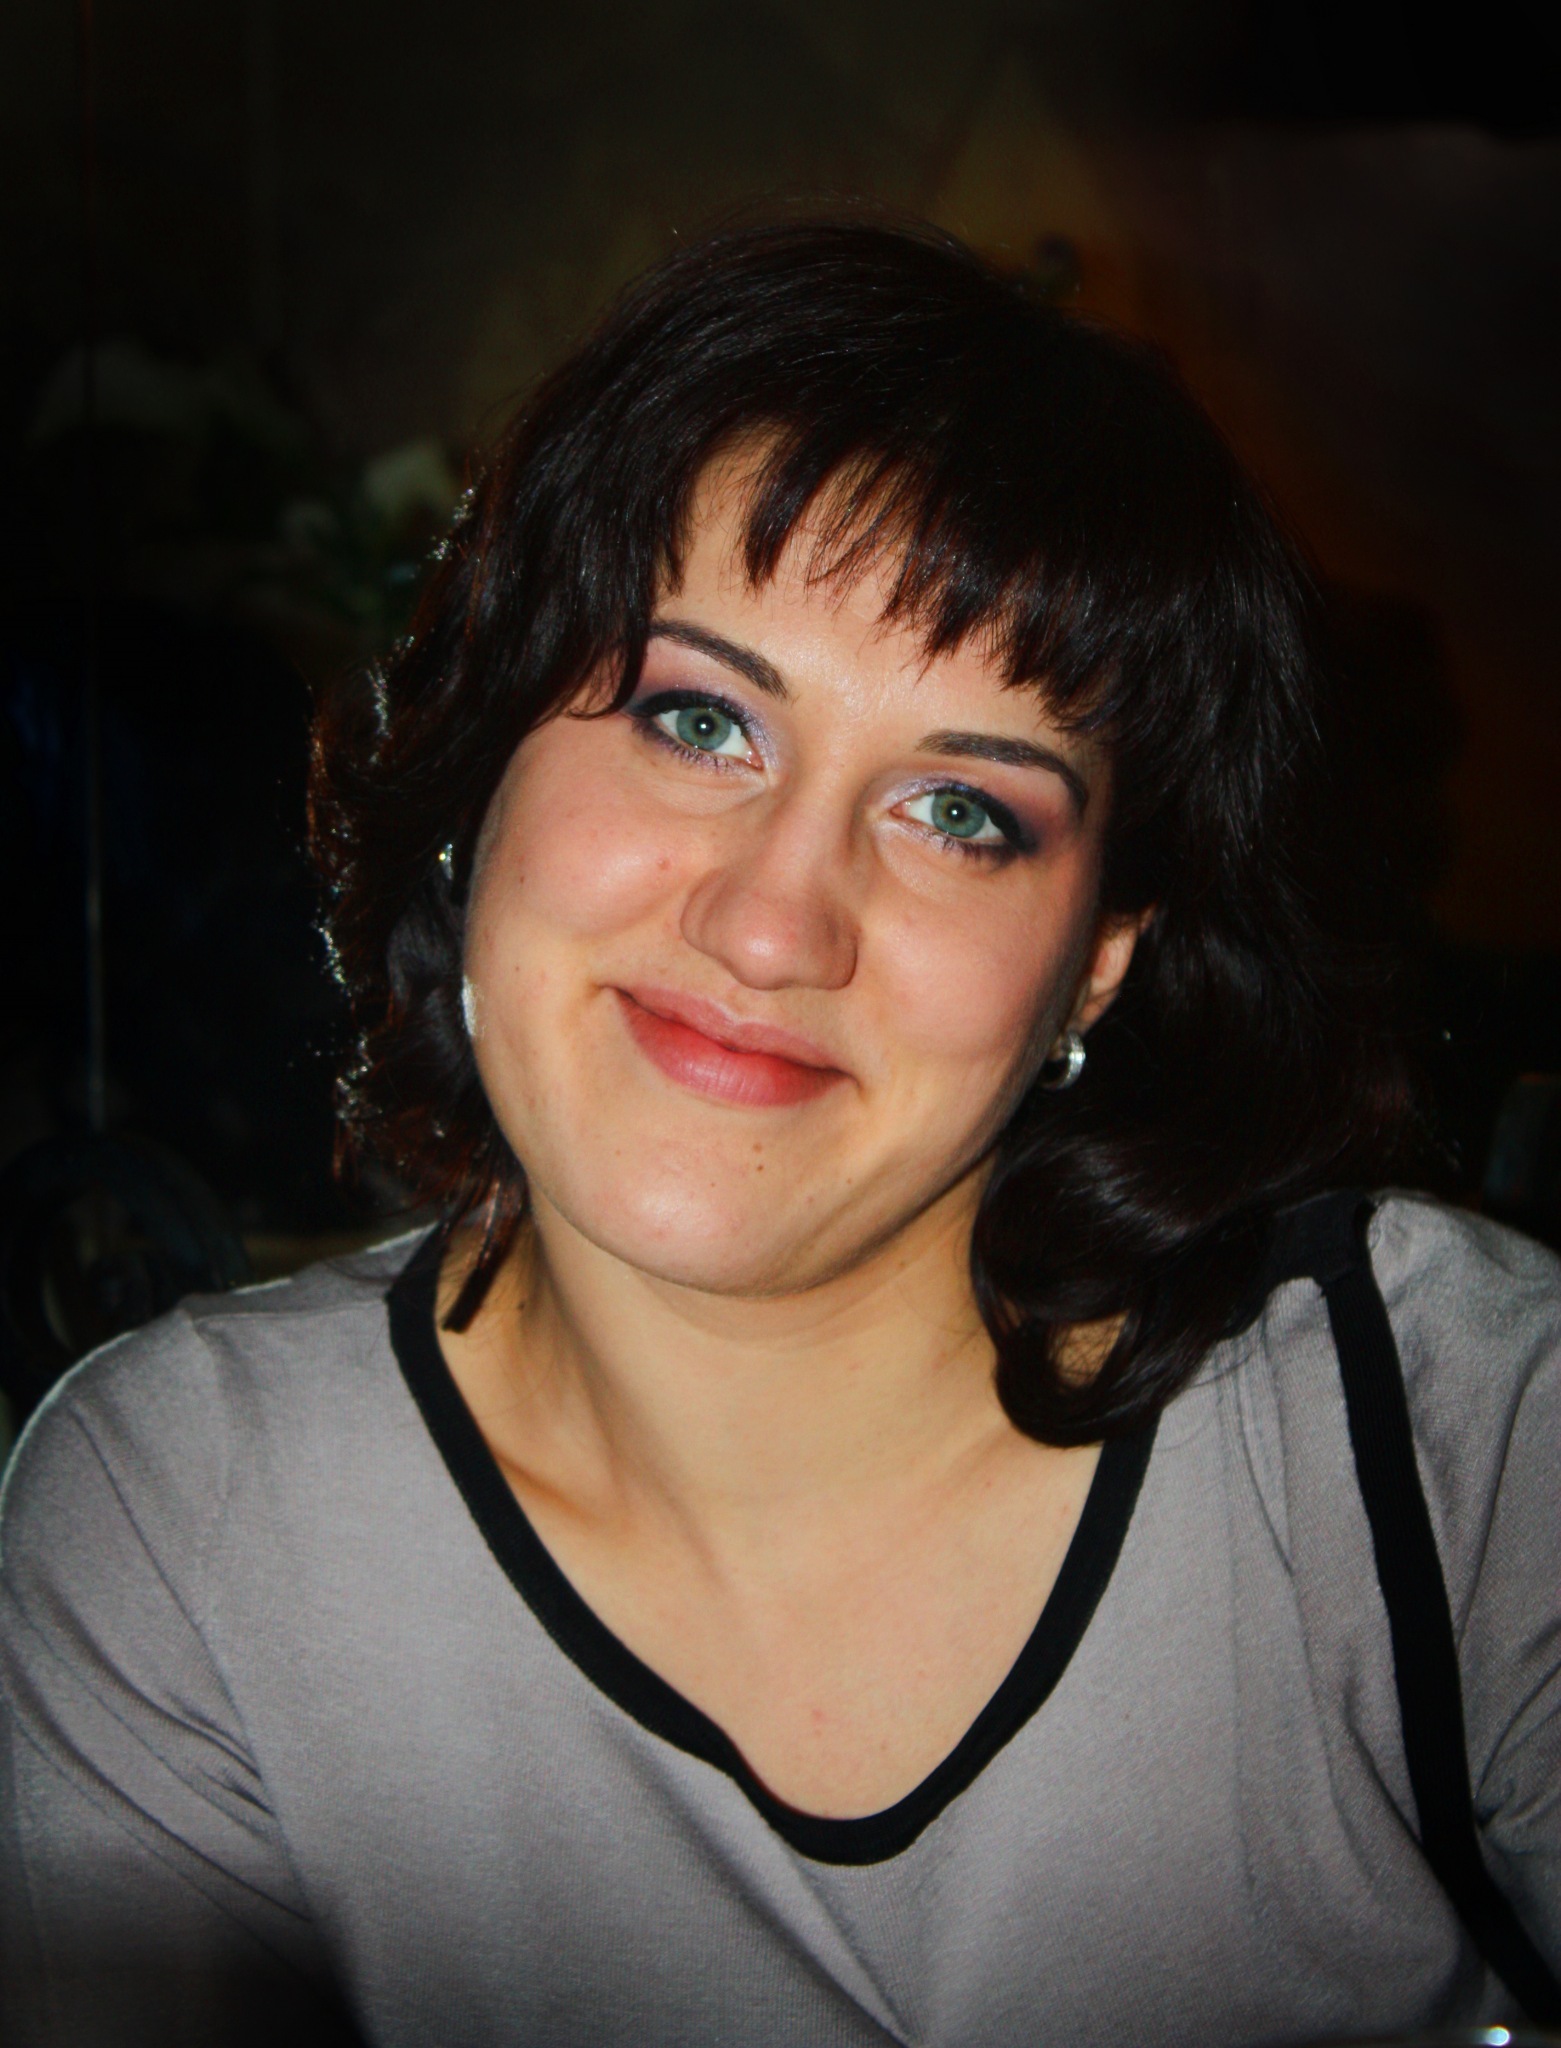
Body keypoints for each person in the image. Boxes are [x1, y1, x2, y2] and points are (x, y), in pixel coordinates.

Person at [1, 219, 1557, 2048]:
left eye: (960, 813)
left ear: (1098, 957)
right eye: (699, 719)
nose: (769, 926)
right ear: (486, 746)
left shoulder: (1438, 1428)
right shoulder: (180, 1521)